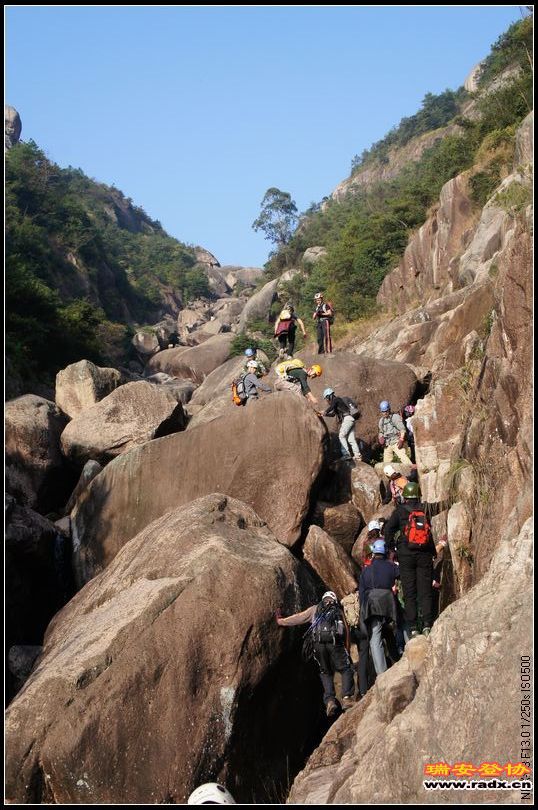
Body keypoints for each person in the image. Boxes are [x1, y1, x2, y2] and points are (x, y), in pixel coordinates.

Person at [276, 591, 355, 716]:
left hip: (318, 645)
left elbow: (299, 618)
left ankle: (330, 701)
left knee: (325, 672)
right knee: (346, 669)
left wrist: (281, 621)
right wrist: (347, 650)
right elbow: (345, 632)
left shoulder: (315, 609)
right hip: (335, 644)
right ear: (334, 600)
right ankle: (346, 698)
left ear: (323, 599)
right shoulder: (338, 611)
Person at [384, 482, 435, 638]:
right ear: (418, 495)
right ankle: (427, 625)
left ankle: (413, 627)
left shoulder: (399, 511)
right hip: (424, 554)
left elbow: (388, 530)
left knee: (409, 591)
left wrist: (392, 548)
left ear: (405, 497)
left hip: (405, 555)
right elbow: (440, 506)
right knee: (425, 590)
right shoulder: (425, 508)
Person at [358, 539, 400, 676]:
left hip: (372, 606)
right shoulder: (391, 567)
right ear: (385, 552)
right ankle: (400, 658)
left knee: (375, 639)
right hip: (389, 605)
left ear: (373, 553)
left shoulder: (366, 571)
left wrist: (363, 612)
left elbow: (362, 594)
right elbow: (402, 575)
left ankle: (382, 674)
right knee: (395, 630)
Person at [322, 388, 362, 461]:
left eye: (327, 398)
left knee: (341, 436)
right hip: (351, 419)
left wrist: (325, 411)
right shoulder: (336, 403)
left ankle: (346, 454)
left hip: (347, 419)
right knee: (351, 439)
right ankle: (357, 455)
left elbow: (331, 407)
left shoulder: (336, 399)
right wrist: (325, 414)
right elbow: (333, 414)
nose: (327, 400)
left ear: (329, 396)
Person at [378, 401, 412, 468]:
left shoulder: (395, 417)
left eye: (386, 411)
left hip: (396, 442)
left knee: (405, 459)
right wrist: (380, 437)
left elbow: (402, 429)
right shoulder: (381, 421)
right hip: (387, 444)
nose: (385, 413)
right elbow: (381, 431)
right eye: (383, 411)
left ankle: (413, 470)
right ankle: (390, 474)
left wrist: (401, 440)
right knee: (386, 464)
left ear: (389, 410)